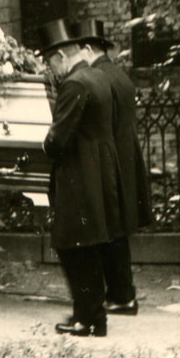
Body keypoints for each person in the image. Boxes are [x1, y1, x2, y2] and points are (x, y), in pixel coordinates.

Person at [38, 18, 122, 337]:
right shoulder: (98, 77)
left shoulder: (74, 84)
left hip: (78, 175)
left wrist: (45, 142)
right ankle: (93, 317)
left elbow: (58, 140)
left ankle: (85, 318)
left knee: (74, 246)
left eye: (50, 62)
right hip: (98, 171)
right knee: (90, 246)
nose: (50, 69)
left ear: (61, 56)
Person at [71, 19, 152, 316]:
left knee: (110, 229)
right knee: (116, 228)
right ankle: (121, 293)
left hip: (109, 160)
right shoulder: (117, 74)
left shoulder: (96, 77)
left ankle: (121, 295)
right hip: (125, 157)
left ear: (88, 49)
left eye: (78, 51)